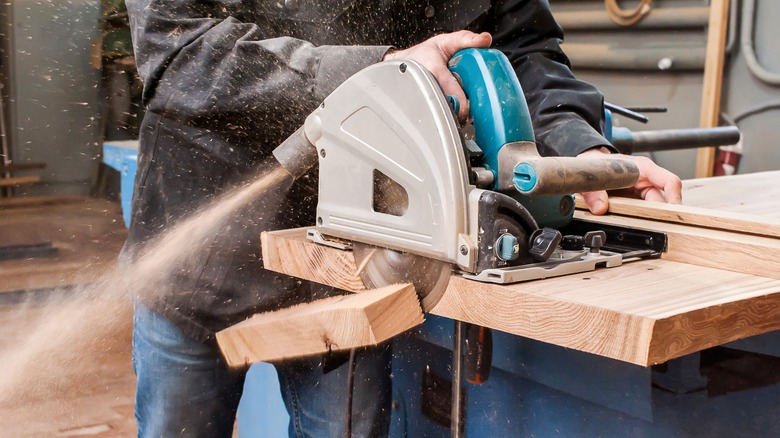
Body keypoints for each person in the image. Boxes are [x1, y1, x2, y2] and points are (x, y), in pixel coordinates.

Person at [123, 1, 682, 437]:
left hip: (361, 265)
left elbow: (525, 49)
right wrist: (375, 73)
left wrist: (577, 151)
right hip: (200, 256)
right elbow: (180, 54)